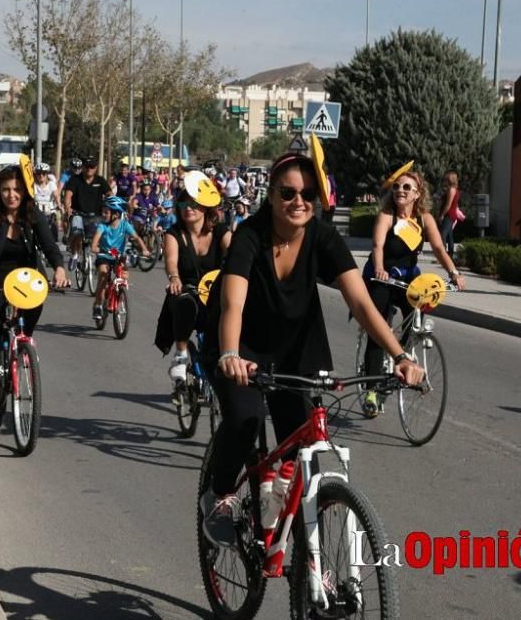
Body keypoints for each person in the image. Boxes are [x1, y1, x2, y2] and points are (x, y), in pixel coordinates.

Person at [197, 152, 425, 547]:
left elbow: (362, 304)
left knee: (305, 454)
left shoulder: (323, 236)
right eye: (287, 193)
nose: (298, 201)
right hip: (241, 347)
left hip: (295, 350)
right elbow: (233, 304)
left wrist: (400, 356)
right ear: (270, 195)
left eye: (308, 193)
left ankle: (308, 566)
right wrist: (230, 354)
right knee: (245, 419)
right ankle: (218, 497)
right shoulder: (249, 235)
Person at [361, 169, 466, 416]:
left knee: (414, 318)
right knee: (378, 329)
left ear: (417, 194)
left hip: (408, 277)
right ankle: (372, 390)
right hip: (383, 276)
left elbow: (439, 248)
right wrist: (379, 268)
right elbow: (377, 245)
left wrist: (454, 274)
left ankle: (400, 355)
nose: (400, 191)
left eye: (407, 188)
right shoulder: (387, 216)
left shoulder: (424, 218)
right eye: (397, 187)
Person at [0, 165, 69, 420]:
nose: (11, 195)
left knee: (31, 313)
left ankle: (25, 344)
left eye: (16, 190)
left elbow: (48, 244)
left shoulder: (31, 213)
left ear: (24, 192)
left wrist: (59, 267)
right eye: (5, 190)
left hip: (26, 279)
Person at [154, 174, 231, 387]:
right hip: (186, 290)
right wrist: (174, 278)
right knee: (185, 302)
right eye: (183, 202)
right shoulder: (173, 233)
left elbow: (237, 253)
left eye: (194, 203)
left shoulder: (220, 232)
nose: (188, 207)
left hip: (215, 293)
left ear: (206, 207)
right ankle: (180, 355)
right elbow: (171, 261)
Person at [90, 196, 149, 321]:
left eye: (107, 212)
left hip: (118, 257)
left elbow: (137, 238)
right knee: (103, 274)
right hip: (104, 256)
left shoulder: (125, 225)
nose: (103, 214)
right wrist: (97, 249)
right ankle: (98, 304)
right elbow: (94, 244)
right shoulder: (102, 226)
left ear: (116, 214)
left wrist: (144, 249)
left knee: (124, 277)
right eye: (103, 211)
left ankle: (119, 297)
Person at [63, 155, 109, 271]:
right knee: (77, 233)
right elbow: (68, 195)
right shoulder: (75, 180)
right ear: (83, 167)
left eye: (92, 167)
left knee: (100, 236)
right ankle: (74, 255)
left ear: (96, 168)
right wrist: (68, 207)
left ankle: (99, 259)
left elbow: (110, 194)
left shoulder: (100, 181)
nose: (89, 169)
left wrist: (113, 206)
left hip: (96, 216)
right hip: (78, 213)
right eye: (87, 166)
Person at [33, 163, 63, 241]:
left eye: (44, 173)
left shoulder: (51, 184)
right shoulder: (33, 185)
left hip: (49, 211)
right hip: (36, 211)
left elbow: (56, 195)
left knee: (52, 228)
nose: (41, 175)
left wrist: (59, 205)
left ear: (47, 174)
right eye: (39, 173)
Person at [438, 170, 461, 253]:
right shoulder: (453, 189)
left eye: (446, 179)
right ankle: (450, 256)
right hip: (451, 215)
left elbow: (448, 204)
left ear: (450, 179)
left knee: (442, 235)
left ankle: (443, 255)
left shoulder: (451, 190)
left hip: (449, 215)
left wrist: (442, 215)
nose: (445, 181)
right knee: (450, 236)